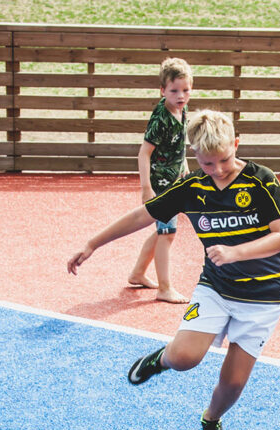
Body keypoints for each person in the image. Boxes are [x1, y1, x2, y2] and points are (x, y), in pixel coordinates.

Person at [67, 110, 280, 430]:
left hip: (263, 298)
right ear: (194, 157)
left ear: (236, 144)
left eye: (224, 160)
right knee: (186, 357)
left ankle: (211, 419)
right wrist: (92, 243)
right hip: (216, 289)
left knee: (233, 383)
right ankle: (160, 359)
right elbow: (143, 215)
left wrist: (237, 252)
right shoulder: (192, 187)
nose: (217, 170)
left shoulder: (261, 180)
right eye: (206, 164)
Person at [128, 57, 194, 304]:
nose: (181, 96)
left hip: (174, 180)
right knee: (167, 233)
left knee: (162, 232)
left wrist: (184, 164)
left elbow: (178, 144)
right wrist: (146, 187)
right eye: (174, 91)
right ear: (162, 90)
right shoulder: (161, 118)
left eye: (186, 90)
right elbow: (144, 153)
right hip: (160, 184)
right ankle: (164, 287)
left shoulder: (181, 109)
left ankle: (137, 272)